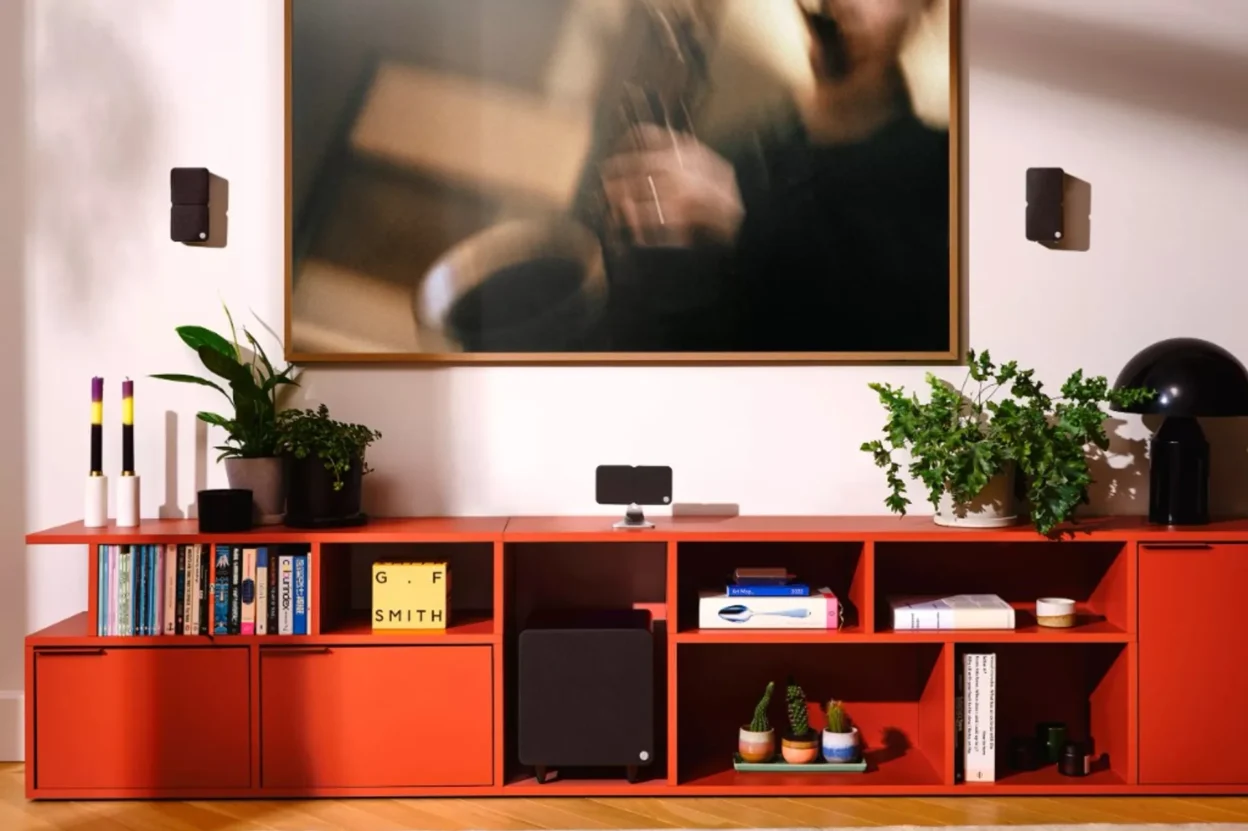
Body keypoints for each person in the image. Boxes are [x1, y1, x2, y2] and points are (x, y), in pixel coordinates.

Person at [599, 0, 950, 352]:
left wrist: (746, 232)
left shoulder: (944, 172)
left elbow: (906, 344)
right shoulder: (737, 151)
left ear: (925, 7)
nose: (846, 4)